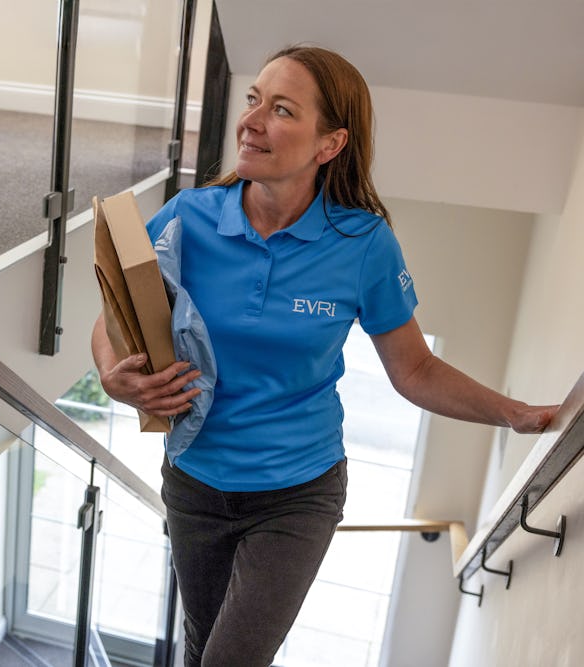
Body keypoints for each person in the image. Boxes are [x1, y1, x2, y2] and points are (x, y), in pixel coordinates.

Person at [90, 45, 560, 667]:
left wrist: (517, 414)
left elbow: (415, 369)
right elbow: (112, 318)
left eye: (280, 109)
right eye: (254, 99)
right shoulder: (189, 219)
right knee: (202, 646)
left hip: (296, 492)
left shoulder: (362, 243)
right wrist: (111, 376)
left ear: (329, 144)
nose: (252, 120)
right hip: (193, 481)